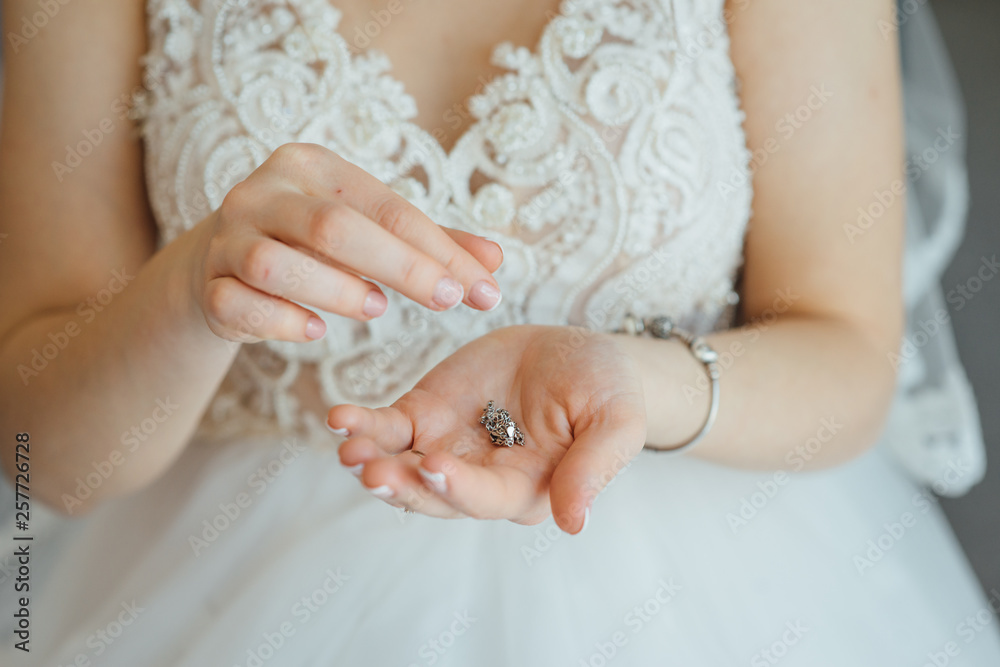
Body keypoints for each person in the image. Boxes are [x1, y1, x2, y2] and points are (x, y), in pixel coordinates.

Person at [1, 0, 998, 664]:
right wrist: (189, 293)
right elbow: (40, 450)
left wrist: (637, 384)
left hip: (711, 590)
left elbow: (848, 354)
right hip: (215, 586)